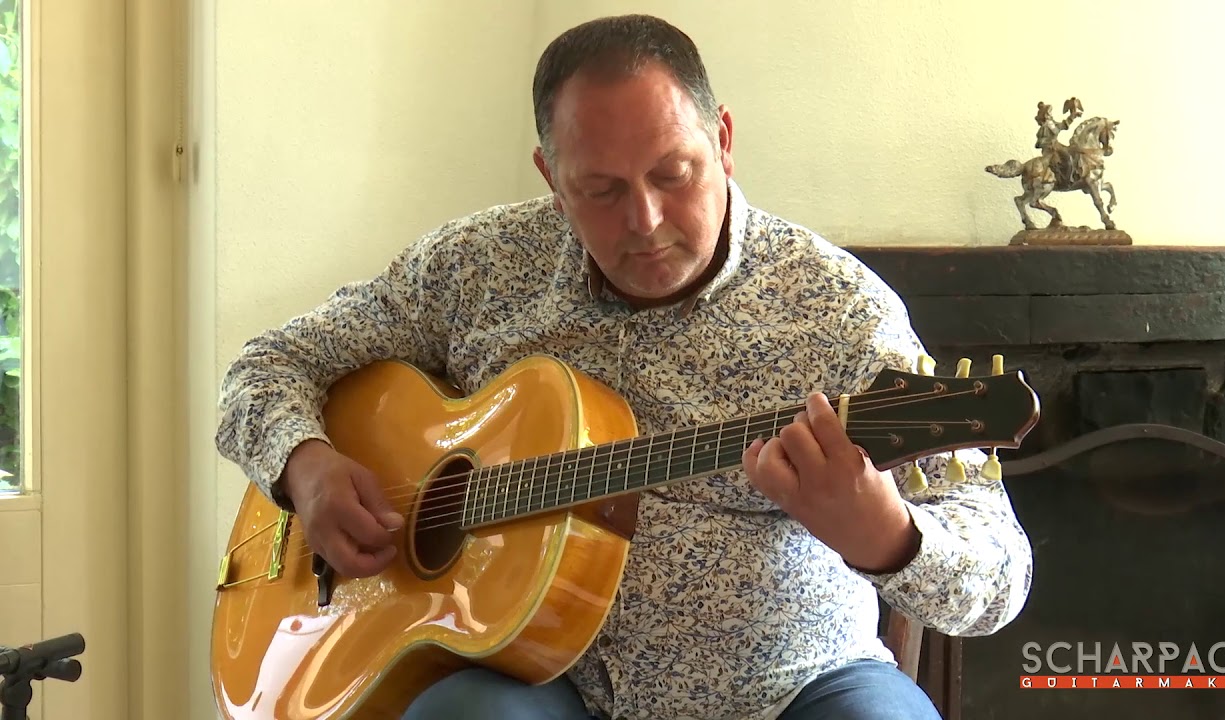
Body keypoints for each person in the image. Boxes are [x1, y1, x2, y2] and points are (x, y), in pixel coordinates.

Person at [215, 13, 1033, 720]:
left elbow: (999, 579)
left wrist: (887, 539)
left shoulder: (837, 308)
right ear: (551, 177)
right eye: (601, 190)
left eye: (674, 174)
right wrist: (306, 468)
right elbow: (267, 367)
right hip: (537, 681)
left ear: (723, 140)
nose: (644, 220)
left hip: (794, 687)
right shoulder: (478, 268)